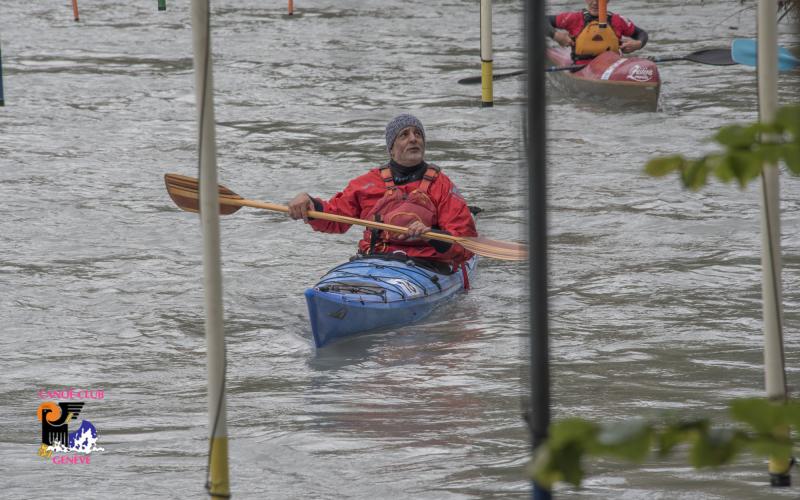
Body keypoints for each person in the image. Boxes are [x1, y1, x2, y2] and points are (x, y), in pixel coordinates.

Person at [287, 114, 477, 273]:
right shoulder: (367, 184)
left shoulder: (442, 185)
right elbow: (334, 218)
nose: (413, 139)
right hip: (373, 262)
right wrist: (309, 203)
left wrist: (432, 235)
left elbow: (465, 244)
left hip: (426, 267)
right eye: (404, 135)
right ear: (391, 149)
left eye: (418, 134)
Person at [546, 0, 649, 63]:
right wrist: (556, 35)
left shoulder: (618, 20)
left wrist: (638, 44)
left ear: (607, 0)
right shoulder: (574, 18)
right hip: (582, 68)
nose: (595, 3)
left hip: (611, 67)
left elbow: (642, 34)